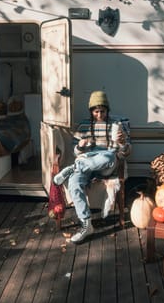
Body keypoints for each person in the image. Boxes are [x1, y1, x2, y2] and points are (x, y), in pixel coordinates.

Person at [53, 90, 131, 244]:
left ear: (108, 110)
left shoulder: (117, 126)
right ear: (91, 111)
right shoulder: (83, 126)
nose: (100, 114)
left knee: (108, 155)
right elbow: (75, 151)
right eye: (96, 111)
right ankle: (86, 223)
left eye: (103, 111)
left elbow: (124, 154)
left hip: (107, 164)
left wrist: (122, 144)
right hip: (86, 163)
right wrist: (80, 146)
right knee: (75, 183)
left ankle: (72, 168)